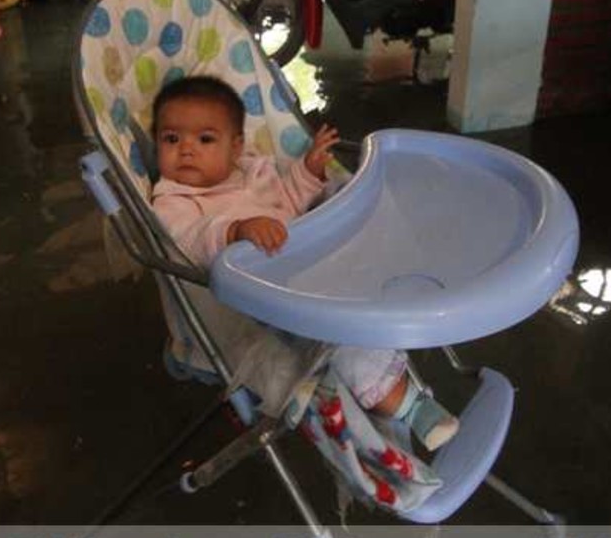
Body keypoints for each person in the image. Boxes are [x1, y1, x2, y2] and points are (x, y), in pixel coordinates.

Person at [150, 76, 459, 451]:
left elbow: (288, 204)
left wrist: (308, 171)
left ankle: (397, 319)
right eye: (171, 139)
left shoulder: (252, 172)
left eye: (205, 139)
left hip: (304, 269)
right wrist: (235, 231)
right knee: (340, 334)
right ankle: (411, 408)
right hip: (255, 301)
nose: (186, 150)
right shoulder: (174, 199)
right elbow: (188, 239)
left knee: (353, 295)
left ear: (236, 147)